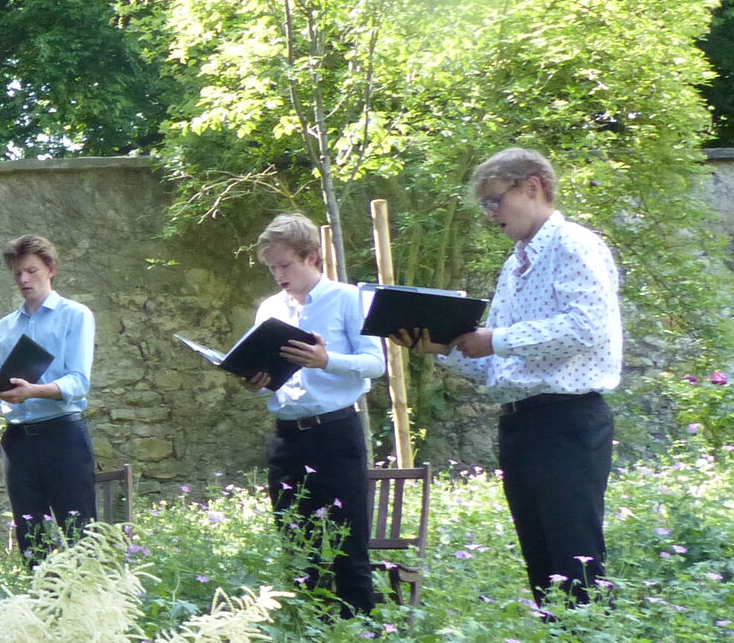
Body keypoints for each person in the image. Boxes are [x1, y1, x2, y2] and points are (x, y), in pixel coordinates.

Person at [420, 148, 622, 607]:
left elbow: (587, 327)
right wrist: (445, 348)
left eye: (496, 201)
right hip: (520, 422)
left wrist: (496, 338)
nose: (491, 215)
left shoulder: (575, 243)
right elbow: (502, 365)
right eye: (485, 206)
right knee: (541, 558)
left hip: (567, 420)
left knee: (575, 556)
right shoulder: (515, 264)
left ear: (533, 187)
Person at [244, 214, 386, 617]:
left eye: (285, 265)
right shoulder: (271, 308)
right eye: (272, 267)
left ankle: (361, 630)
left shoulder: (348, 298)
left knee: (348, 536)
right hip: (286, 435)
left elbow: (375, 364)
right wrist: (255, 380)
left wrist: (326, 360)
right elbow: (269, 374)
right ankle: (307, 629)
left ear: (312, 257)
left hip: (336, 429)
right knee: (294, 537)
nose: (278, 274)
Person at [0, 234, 96, 563]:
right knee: (31, 537)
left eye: (31, 271)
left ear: (51, 270)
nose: (24, 280)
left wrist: (33, 391)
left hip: (62, 434)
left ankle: (95, 607)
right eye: (17, 274)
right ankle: (39, 608)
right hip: (18, 441)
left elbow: (78, 382)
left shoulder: (75, 315)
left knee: (79, 530)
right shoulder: (3, 328)